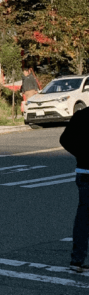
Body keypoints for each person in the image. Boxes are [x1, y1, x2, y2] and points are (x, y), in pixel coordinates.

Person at [60, 106, 89, 272]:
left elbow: (64, 140)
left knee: (83, 215)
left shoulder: (81, 115)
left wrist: (81, 154)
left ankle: (77, 259)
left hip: (83, 170)